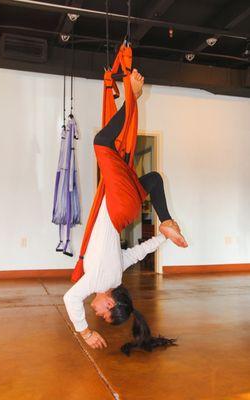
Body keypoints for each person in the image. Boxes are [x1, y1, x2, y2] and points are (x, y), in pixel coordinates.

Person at [63, 69, 187, 354]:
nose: (95, 312)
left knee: (154, 179)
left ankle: (166, 221)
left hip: (126, 211)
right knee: (102, 143)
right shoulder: (99, 281)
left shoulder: (115, 276)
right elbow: (71, 299)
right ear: (110, 303)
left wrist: (162, 238)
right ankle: (132, 97)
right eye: (102, 315)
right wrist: (85, 331)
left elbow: (136, 253)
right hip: (119, 207)